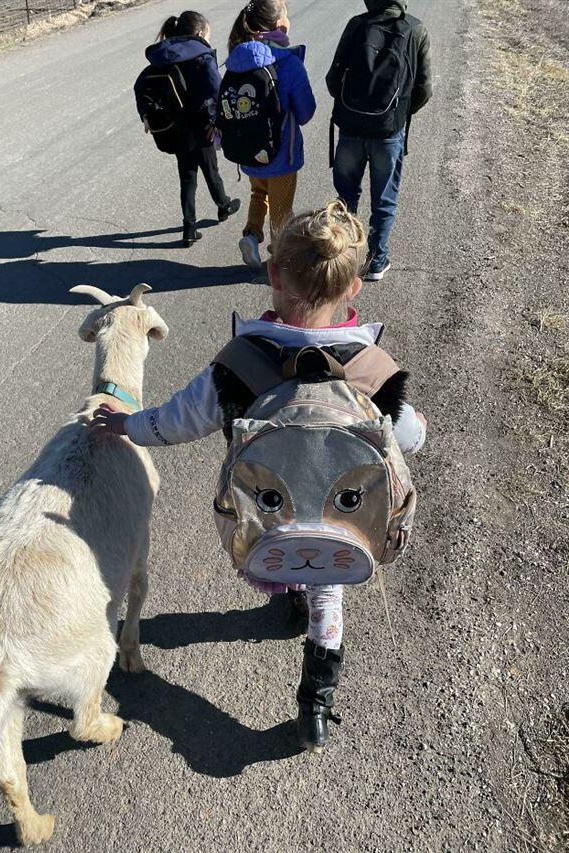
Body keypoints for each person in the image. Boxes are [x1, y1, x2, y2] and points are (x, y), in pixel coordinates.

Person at [91, 201, 426, 751]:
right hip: (344, 524)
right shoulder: (373, 370)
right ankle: (316, 703)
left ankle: (289, 584)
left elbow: (176, 422)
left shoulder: (241, 362)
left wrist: (127, 422)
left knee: (285, 530)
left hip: (264, 521)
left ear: (273, 274)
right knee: (329, 596)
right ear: (354, 289)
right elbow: (406, 439)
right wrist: (418, 424)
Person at [326, 0, 432, 280]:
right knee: (384, 200)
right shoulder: (416, 30)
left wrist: (351, 105)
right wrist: (399, 111)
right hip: (388, 131)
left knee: (346, 196)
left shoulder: (357, 25)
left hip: (350, 128)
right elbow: (424, 88)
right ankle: (376, 262)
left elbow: (332, 79)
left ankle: (342, 257)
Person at [225, 1, 316, 270]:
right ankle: (277, 261)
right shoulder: (288, 62)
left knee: (258, 193)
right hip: (280, 155)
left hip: (250, 151)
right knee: (281, 211)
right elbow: (306, 111)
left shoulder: (237, 59)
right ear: (280, 25)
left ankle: (251, 235)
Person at [141, 11, 240, 247]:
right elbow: (216, 92)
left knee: (187, 179)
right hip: (201, 127)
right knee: (211, 171)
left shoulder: (164, 57)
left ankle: (189, 229)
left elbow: (142, 85)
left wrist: (145, 113)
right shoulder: (202, 57)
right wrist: (218, 122)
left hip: (176, 130)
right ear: (198, 33)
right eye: (207, 33)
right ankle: (223, 206)